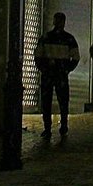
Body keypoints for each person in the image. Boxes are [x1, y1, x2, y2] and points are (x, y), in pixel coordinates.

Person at [34, 11, 79, 143]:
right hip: (60, 75)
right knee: (63, 101)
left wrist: (44, 68)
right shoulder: (69, 39)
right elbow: (75, 57)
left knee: (47, 102)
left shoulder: (46, 37)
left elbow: (37, 55)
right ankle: (63, 126)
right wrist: (66, 69)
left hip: (49, 74)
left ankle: (47, 128)